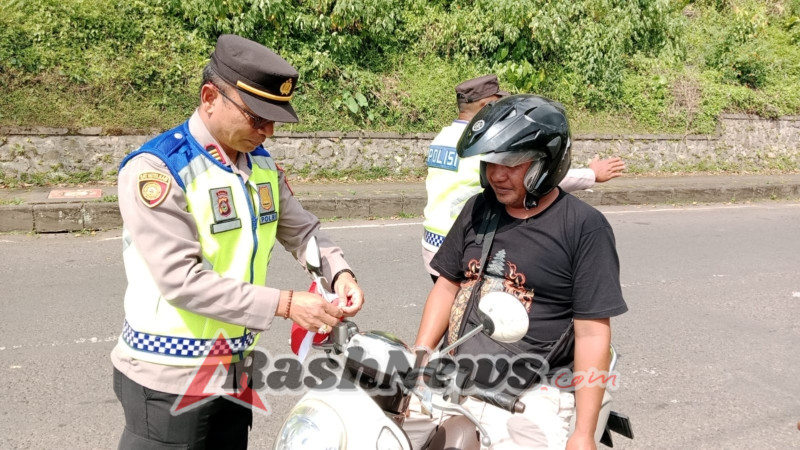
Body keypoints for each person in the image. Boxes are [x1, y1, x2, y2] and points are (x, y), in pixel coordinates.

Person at [111, 34, 364, 449]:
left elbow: (302, 230)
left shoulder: (260, 163)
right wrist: (285, 304)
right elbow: (182, 280)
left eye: (275, 120)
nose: (267, 131)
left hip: (233, 368)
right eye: (255, 117)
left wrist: (340, 273)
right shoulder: (158, 170)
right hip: (168, 375)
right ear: (210, 97)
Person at [405, 94, 628, 449]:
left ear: (547, 162)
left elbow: (591, 334)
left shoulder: (584, 228)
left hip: (534, 392)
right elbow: (447, 286)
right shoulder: (478, 209)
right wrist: (420, 355)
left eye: (513, 162)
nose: (497, 173)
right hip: (457, 372)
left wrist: (582, 435)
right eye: (491, 159)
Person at [422, 74, 625, 281]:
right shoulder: (484, 144)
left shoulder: (443, 137)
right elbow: (532, 177)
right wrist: (592, 174)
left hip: (432, 239)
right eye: (497, 104)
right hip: (464, 241)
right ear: (485, 105)